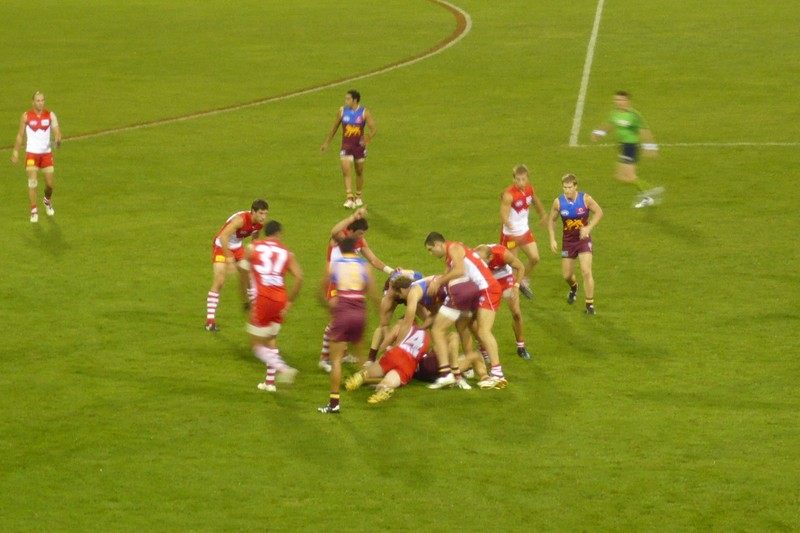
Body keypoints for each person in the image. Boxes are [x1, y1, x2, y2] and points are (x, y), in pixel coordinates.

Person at [424, 232, 506, 387]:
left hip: (487, 288)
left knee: (483, 331)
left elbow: (460, 271)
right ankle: (477, 369)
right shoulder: (450, 257)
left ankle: (497, 372)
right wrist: (436, 282)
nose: (431, 253)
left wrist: (439, 282)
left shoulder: (454, 247)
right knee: (462, 325)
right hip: (477, 291)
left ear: (438, 244)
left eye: (430, 249)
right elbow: (448, 275)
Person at [318, 208, 395, 372]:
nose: (362, 237)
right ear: (350, 230)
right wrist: (353, 216)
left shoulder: (358, 241)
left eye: (363, 234)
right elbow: (334, 230)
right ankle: (325, 359)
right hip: (333, 283)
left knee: (345, 320)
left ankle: (343, 354)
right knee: (337, 321)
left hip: (347, 284)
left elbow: (373, 259)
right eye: (359, 233)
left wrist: (391, 271)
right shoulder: (340, 238)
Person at [318, 237, 380, 414]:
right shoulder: (364, 265)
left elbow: (320, 292)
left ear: (340, 249)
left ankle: (334, 403)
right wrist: (381, 315)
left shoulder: (335, 265)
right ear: (355, 249)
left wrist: (330, 309)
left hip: (342, 311)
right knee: (360, 357)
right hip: (360, 313)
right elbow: (373, 294)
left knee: (336, 360)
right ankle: (376, 383)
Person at [244, 221, 303, 391]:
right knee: (271, 339)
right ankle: (270, 383)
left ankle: (284, 369)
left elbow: (243, 267)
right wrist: (290, 301)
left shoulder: (254, 247)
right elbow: (299, 277)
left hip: (263, 299)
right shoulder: (287, 253)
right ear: (279, 234)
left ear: (265, 234)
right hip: (280, 300)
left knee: (256, 345)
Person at [205, 199, 269, 332]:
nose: (264, 217)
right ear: (253, 212)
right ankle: (210, 321)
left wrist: (254, 256)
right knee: (220, 281)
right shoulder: (240, 220)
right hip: (222, 246)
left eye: (265, 214)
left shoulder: (259, 224)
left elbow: (255, 239)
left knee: (250, 276)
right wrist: (229, 259)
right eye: (261, 213)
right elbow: (223, 237)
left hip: (237, 248)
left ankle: (255, 313)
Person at [591, 90, 662, 208]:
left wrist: (650, 147)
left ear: (627, 101)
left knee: (630, 176)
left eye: (621, 100)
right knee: (620, 177)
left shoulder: (634, 115)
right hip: (623, 147)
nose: (618, 102)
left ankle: (649, 193)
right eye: (616, 100)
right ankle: (648, 193)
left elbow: (645, 131)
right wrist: (599, 133)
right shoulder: (614, 113)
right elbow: (609, 124)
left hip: (631, 147)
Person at [547, 174, 604, 315]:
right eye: (565, 188)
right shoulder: (558, 202)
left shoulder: (585, 199)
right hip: (568, 242)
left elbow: (599, 212)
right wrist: (552, 239)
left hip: (583, 239)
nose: (567, 191)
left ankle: (589, 304)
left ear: (575, 186)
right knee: (566, 275)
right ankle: (574, 287)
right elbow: (552, 220)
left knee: (586, 271)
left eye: (570, 187)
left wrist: (588, 228)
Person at [320, 89, 377, 209]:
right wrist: (326, 143)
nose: (346, 101)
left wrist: (368, 138)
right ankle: (349, 198)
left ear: (355, 100)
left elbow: (373, 129)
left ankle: (358, 196)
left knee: (359, 171)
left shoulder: (364, 112)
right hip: (346, 146)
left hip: (359, 147)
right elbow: (334, 128)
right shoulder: (342, 111)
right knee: (346, 170)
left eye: (348, 99)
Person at [474, 243, 532, 360]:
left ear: (491, 257)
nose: (482, 263)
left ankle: (521, 346)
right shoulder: (474, 256)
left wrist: (516, 286)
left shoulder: (502, 254)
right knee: (479, 318)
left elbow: (521, 267)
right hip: (487, 281)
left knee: (516, 312)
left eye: (484, 261)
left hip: (504, 278)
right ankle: (483, 349)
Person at [11, 91, 62, 223]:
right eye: (38, 100)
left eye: (42, 100)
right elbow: (20, 135)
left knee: (50, 185)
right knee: (32, 181)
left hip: (46, 154)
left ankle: (47, 200)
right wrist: (16, 152)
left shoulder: (50, 115)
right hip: (32, 154)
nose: (41, 103)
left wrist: (58, 139)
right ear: (33, 102)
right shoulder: (26, 116)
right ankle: (34, 210)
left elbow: (57, 131)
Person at [500, 164, 547, 298]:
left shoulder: (529, 189)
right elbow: (503, 215)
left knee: (535, 258)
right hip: (510, 235)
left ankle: (523, 280)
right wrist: (510, 227)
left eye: (523, 179)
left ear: (527, 178)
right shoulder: (508, 195)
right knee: (515, 265)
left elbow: (535, 201)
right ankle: (514, 291)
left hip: (524, 232)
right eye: (518, 179)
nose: (521, 182)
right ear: (514, 179)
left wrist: (543, 215)